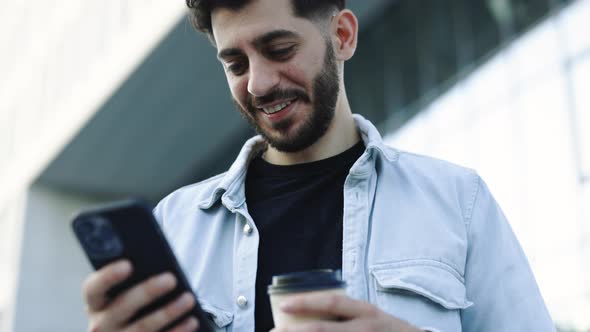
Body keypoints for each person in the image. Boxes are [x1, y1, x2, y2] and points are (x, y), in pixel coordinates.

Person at [81, 0, 557, 331]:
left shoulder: (458, 201)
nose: (259, 84)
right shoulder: (176, 225)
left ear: (343, 36)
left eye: (279, 50)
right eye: (236, 64)